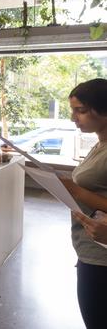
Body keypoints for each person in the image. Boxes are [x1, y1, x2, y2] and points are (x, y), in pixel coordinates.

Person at [58, 78, 107, 329]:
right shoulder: (99, 144)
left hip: (102, 257)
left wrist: (74, 190)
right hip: (89, 248)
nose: (73, 118)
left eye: (81, 110)